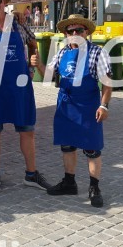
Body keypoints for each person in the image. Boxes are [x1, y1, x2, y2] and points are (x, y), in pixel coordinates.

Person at [0, 0, 51, 193]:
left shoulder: (18, 24)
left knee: (27, 130)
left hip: (20, 87)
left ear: (4, 3)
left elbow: (33, 43)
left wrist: (33, 65)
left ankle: (31, 174)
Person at [39, 14, 112, 208]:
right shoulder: (62, 53)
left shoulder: (97, 52)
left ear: (86, 32)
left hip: (88, 107)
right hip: (66, 106)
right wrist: (36, 62)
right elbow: (47, 76)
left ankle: (94, 188)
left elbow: (107, 83)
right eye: (70, 31)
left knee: (92, 148)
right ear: (65, 34)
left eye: (79, 30)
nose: (74, 34)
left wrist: (104, 105)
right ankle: (69, 182)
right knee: (67, 146)